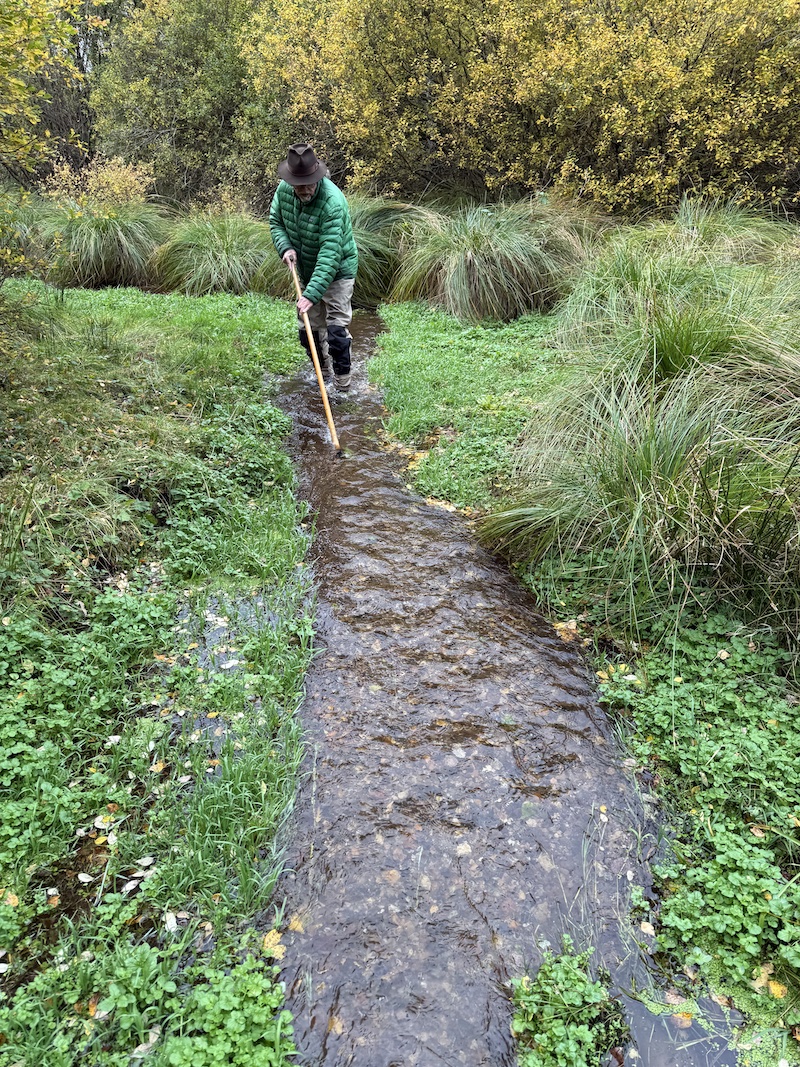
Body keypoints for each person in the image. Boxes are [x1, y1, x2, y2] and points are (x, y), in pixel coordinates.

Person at [269, 143, 359, 391]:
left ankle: (342, 386)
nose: (305, 189)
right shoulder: (284, 192)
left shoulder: (333, 202)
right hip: (308, 270)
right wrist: (285, 247)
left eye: (309, 183)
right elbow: (276, 221)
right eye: (299, 185)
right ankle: (324, 375)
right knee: (308, 332)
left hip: (338, 271)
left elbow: (330, 254)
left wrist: (311, 294)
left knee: (336, 332)